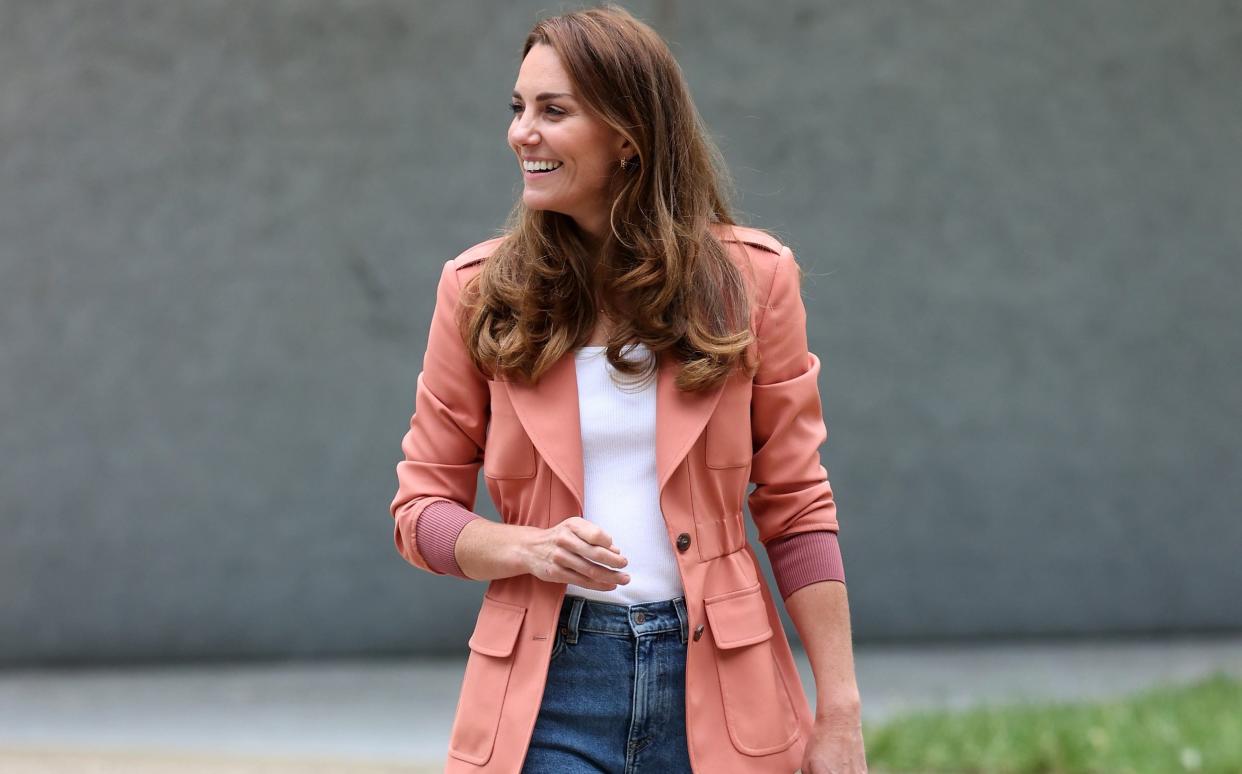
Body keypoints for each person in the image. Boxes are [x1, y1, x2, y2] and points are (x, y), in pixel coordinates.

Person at [390, 5, 866, 773]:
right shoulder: (478, 291)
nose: (522, 132)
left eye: (553, 110)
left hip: (721, 683)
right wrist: (526, 547)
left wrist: (839, 710)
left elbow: (797, 505)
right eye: (518, 109)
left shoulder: (752, 282)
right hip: (546, 691)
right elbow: (420, 514)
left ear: (627, 134)